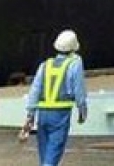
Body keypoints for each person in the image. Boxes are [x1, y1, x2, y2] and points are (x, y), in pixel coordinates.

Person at [23, 29, 88, 166]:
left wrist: (30, 115)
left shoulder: (45, 65)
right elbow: (79, 89)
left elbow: (35, 89)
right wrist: (82, 110)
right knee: (54, 152)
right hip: (60, 114)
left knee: (45, 153)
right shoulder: (74, 64)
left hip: (43, 114)